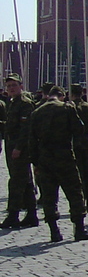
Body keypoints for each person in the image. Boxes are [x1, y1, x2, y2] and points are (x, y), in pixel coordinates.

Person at [28, 85, 88, 243]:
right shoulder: (66, 108)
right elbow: (79, 129)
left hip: (45, 158)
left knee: (49, 196)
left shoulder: (36, 113)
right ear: (62, 96)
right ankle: (79, 228)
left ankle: (54, 231)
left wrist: (36, 163)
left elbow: (31, 141)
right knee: (74, 192)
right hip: (64, 155)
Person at [1, 74, 38, 229]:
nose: (11, 88)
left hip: (19, 147)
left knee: (16, 181)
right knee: (26, 181)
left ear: (21, 86)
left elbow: (26, 129)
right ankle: (31, 214)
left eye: (14, 85)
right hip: (11, 144)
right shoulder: (11, 103)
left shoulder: (24, 104)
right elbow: (11, 125)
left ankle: (13, 214)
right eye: (9, 86)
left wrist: (19, 147)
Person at [68, 84, 88, 213]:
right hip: (87, 139)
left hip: (74, 140)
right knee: (87, 171)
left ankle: (79, 202)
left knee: (76, 172)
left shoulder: (69, 108)